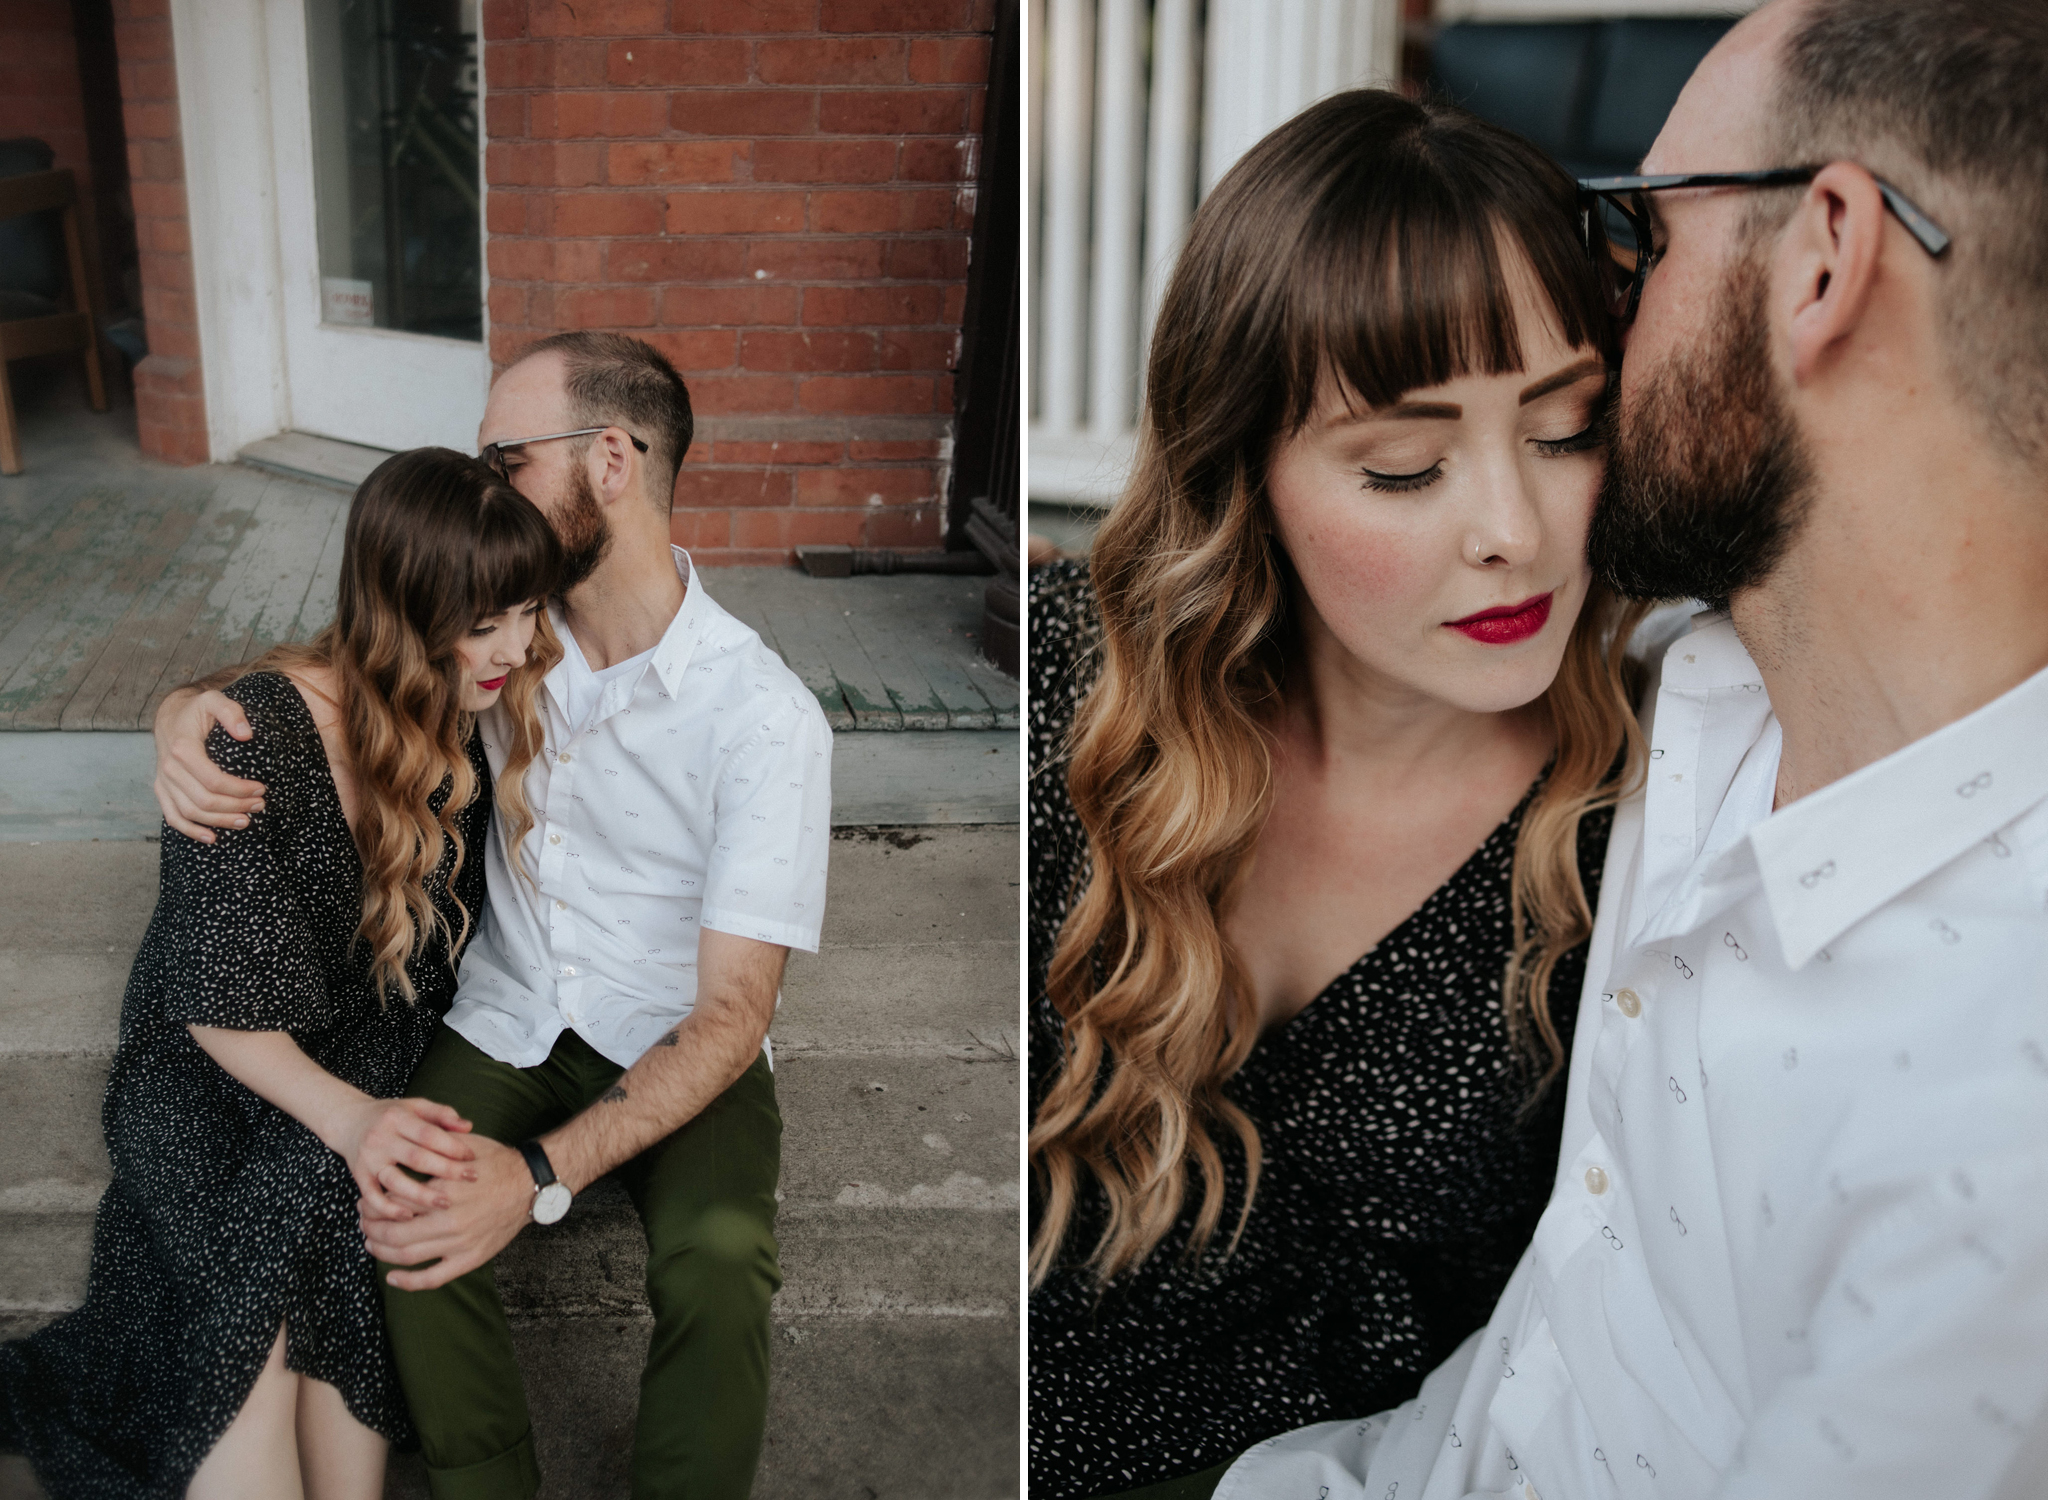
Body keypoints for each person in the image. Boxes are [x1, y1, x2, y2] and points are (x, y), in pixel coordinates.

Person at [1219, 2, 2048, 1497]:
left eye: (1645, 236)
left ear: (1823, 259)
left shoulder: (1996, 1139)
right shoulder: (1697, 692)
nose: (1611, 301)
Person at [1028, 89, 1659, 1498]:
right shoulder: (1063, 703)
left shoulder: (1649, 838)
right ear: (1244, 472)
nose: (1513, 531)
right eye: (1405, 467)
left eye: (1564, 431)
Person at [149, 332, 834, 1499]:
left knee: (721, 1265)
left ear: (608, 460)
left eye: (505, 455)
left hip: (676, 1038)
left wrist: (538, 1176)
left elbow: (732, 1014)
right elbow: (340, 668)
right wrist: (182, 714)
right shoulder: (503, 638)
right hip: (502, 1017)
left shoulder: (764, 717)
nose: (481, 479)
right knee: (410, 1208)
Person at [0, 448, 563, 1498]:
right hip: (213, 1074)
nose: (517, 648)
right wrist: (352, 1121)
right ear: (404, 610)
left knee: (334, 1254)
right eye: (485, 622)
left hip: (363, 1053)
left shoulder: (470, 713)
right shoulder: (253, 739)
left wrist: (363, 1118)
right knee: (246, 1341)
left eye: (527, 612)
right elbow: (214, 1013)